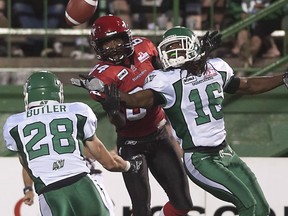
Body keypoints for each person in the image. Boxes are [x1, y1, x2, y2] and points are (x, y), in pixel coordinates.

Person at [90, 26, 288, 216]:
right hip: (200, 159)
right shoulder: (165, 80)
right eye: (170, 48)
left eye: (179, 46)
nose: (175, 52)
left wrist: (283, 78)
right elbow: (139, 99)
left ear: (193, 46)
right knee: (248, 204)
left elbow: (248, 86)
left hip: (226, 152)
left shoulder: (215, 67)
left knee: (260, 208)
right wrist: (118, 97)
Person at [72, 15, 193, 216]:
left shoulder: (145, 47)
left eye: (117, 40)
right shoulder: (101, 77)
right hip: (131, 143)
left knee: (183, 203)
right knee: (141, 209)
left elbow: (170, 78)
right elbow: (119, 122)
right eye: (107, 43)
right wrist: (111, 109)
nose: (113, 47)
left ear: (126, 37)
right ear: (98, 46)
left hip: (160, 133)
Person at [3, 71, 142, 216]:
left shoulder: (14, 124)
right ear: (58, 92)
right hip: (83, 185)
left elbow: (26, 163)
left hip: (49, 193)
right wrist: (129, 165)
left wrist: (28, 189)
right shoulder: (77, 111)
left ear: (28, 95)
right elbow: (109, 164)